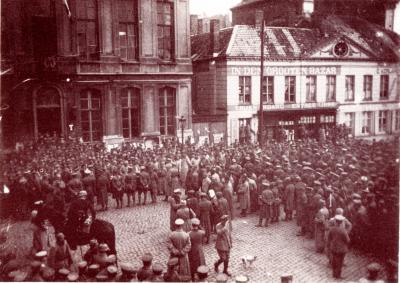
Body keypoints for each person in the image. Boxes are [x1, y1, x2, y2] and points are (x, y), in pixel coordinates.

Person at [327, 214, 350, 279]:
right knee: (340, 262)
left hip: (333, 247)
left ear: (335, 221)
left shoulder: (332, 229)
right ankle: (338, 275)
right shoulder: (343, 230)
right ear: (341, 222)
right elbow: (348, 240)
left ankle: (334, 273)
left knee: (334, 260)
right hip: (341, 249)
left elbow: (329, 238)